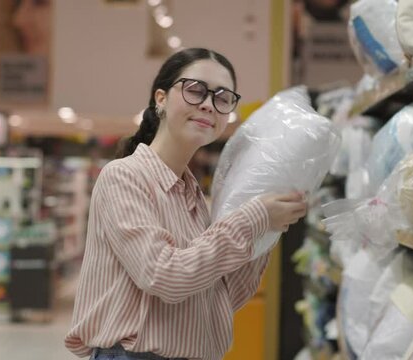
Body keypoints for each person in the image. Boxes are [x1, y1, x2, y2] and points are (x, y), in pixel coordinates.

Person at [65, 48, 307, 360]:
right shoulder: (123, 177)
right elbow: (164, 276)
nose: (208, 104)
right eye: (195, 90)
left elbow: (222, 296)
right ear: (161, 99)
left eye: (222, 97)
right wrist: (255, 217)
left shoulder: (194, 198)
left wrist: (269, 227)